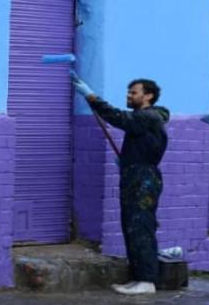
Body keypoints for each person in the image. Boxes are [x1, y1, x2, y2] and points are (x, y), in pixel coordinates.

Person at [72, 73, 169, 295]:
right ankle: (138, 277)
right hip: (134, 174)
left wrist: (92, 97)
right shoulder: (144, 118)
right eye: (129, 92)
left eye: (134, 92)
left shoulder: (148, 117)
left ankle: (147, 280)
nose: (129, 95)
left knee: (141, 227)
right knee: (131, 227)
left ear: (148, 96)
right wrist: (127, 160)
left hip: (143, 179)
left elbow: (119, 118)